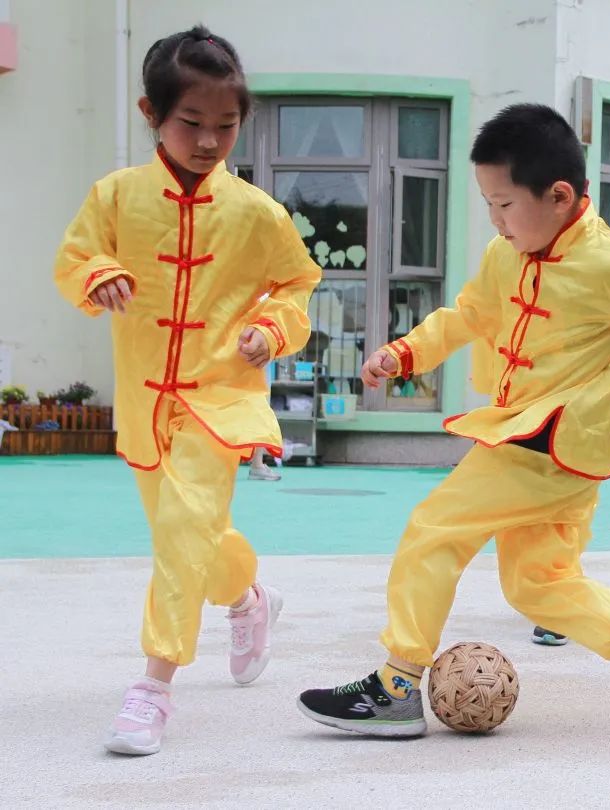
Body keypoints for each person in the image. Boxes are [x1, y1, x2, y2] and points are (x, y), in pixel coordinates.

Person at [296, 103, 610, 737]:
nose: (496, 220)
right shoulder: (504, 254)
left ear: (559, 196)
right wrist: (407, 352)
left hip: (545, 442)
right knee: (538, 584)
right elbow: (468, 315)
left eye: (505, 204)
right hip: (548, 447)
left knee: (434, 530)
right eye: (488, 204)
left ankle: (397, 686)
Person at [54, 25, 320, 754]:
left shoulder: (258, 214)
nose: (209, 141)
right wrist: (95, 274)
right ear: (151, 114)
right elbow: (75, 256)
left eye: (226, 126)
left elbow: (299, 285)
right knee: (194, 537)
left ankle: (152, 687)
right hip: (145, 405)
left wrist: (273, 327)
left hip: (221, 397)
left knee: (181, 532)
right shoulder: (115, 196)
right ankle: (247, 598)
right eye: (191, 124)